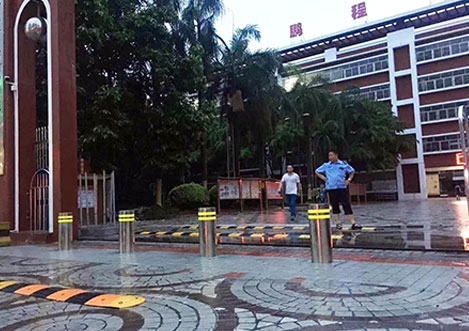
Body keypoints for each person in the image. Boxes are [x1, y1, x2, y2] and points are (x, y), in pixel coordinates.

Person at [315, 151, 362, 231]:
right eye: (329, 155)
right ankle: (338, 222)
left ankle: (353, 222)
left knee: (346, 204)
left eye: (331, 155)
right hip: (331, 188)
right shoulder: (326, 165)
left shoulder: (343, 164)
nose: (330, 157)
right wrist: (324, 178)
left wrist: (349, 180)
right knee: (334, 205)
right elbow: (317, 171)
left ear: (336, 155)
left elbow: (351, 171)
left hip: (342, 187)